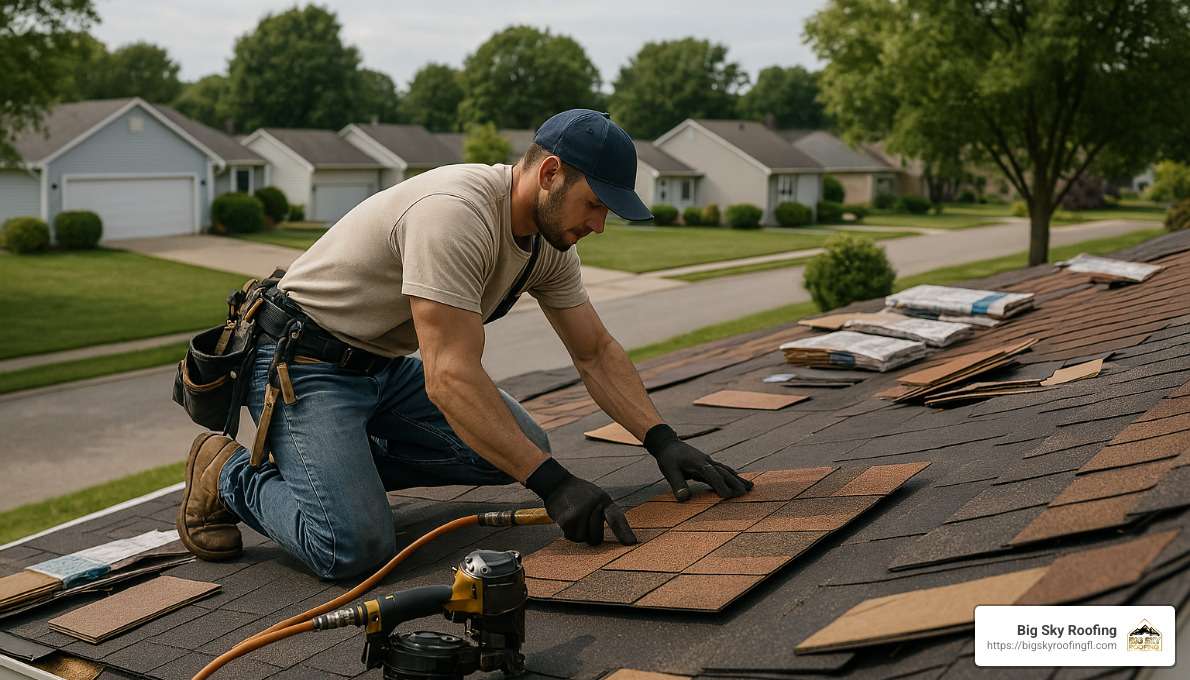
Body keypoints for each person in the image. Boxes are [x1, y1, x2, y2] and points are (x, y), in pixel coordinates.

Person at [177, 110, 752, 580]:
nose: (599, 224)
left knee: (518, 446)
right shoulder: (455, 215)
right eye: (596, 204)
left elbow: (594, 352)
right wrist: (553, 485)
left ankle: (332, 472)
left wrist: (662, 439)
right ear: (550, 173)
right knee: (351, 548)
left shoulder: (548, 243)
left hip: (379, 366)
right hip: (302, 363)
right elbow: (449, 377)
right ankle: (227, 471)